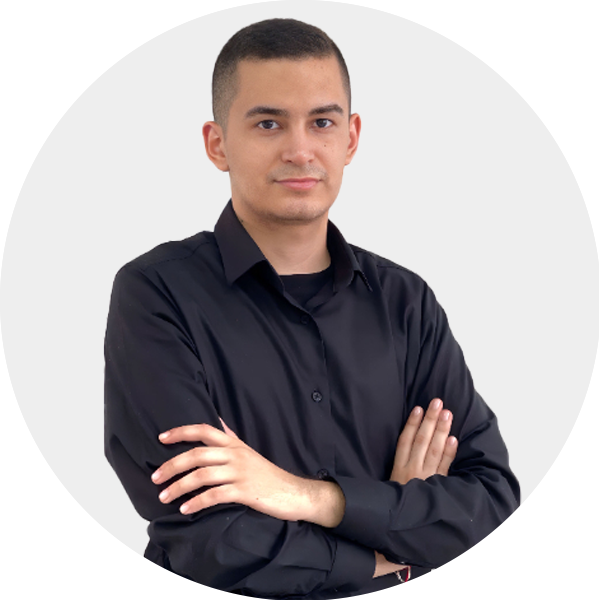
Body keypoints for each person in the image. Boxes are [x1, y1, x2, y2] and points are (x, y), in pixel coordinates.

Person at [104, 18, 520, 599]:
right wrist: (391, 543)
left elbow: (489, 494)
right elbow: (207, 535)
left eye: (321, 122)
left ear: (351, 138)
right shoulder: (157, 294)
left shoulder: (405, 302)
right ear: (217, 144)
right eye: (268, 123)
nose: (300, 150)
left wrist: (310, 497)